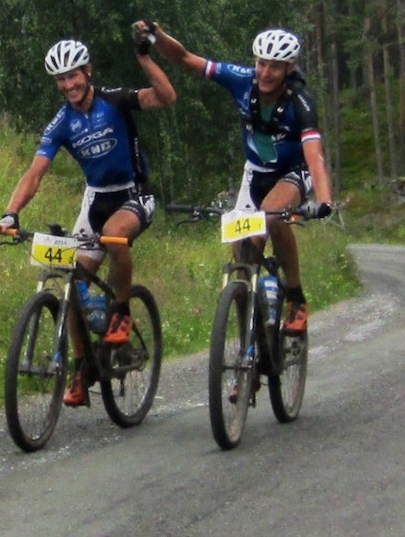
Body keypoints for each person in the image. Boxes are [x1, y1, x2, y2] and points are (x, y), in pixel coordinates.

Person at [0, 32, 176, 407]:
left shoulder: (115, 100)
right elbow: (35, 173)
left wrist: (145, 60)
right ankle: (83, 366)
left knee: (114, 237)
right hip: (96, 200)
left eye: (74, 75)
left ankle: (121, 312)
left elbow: (166, 98)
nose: (69, 84)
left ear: (88, 71)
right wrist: (11, 213)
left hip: (134, 193)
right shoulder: (61, 123)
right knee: (73, 280)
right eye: (61, 79)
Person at [142, 21, 333, 336]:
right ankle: (252, 351)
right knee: (243, 258)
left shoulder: (301, 103)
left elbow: (314, 156)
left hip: (291, 174)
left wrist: (324, 202)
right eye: (261, 64)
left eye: (275, 66)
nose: (266, 72)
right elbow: (186, 59)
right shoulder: (242, 80)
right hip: (254, 174)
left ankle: (296, 297)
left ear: (290, 67)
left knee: (271, 217)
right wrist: (156, 35)